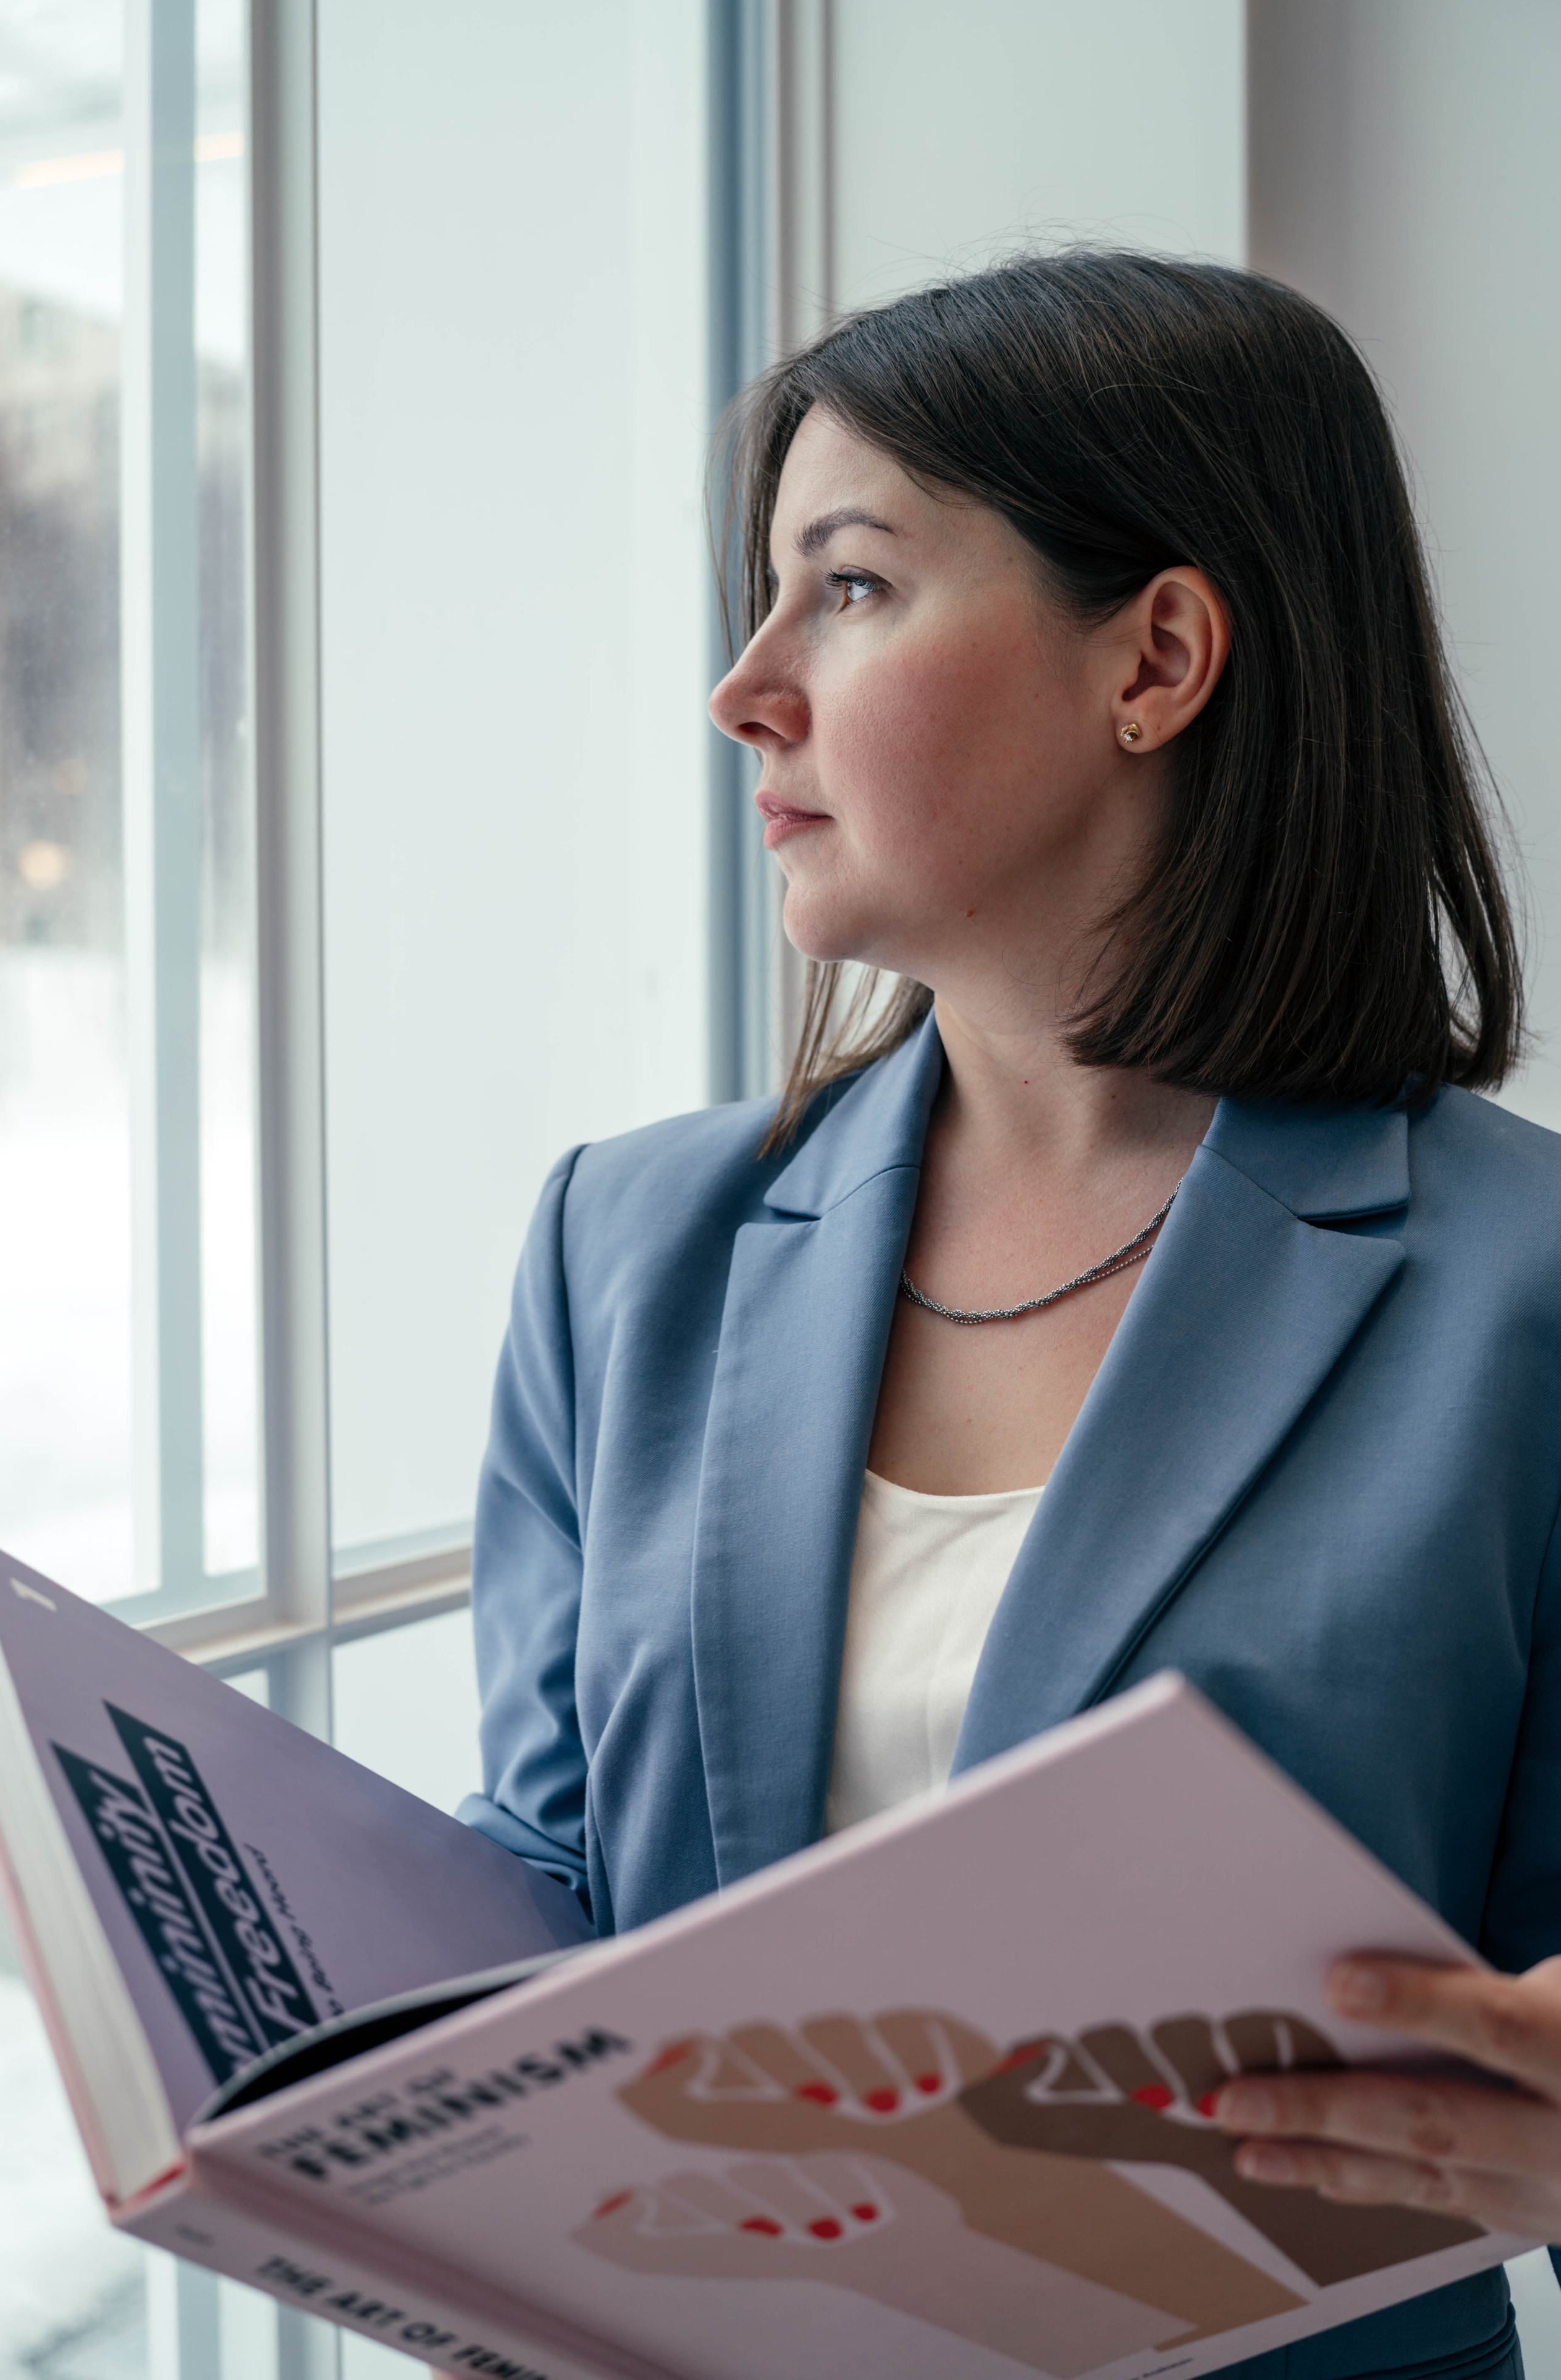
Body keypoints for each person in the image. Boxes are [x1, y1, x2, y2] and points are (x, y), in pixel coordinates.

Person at [458, 250, 1561, 2378]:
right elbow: (554, 1881)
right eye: (766, 595)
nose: (745, 687)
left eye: (851, 587)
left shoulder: (1524, 1298)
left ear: (1157, 658)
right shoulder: (625, 1243)